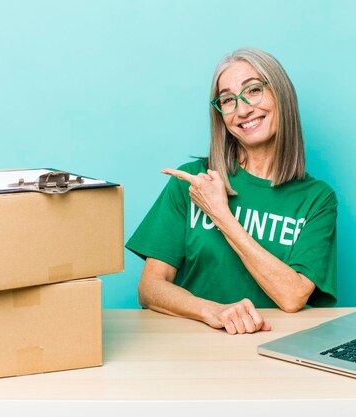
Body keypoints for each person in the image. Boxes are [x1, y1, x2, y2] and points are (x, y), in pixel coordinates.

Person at [126, 48, 337, 335]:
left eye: (253, 90)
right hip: (193, 348)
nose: (243, 109)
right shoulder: (193, 182)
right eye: (228, 100)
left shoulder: (316, 199)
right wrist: (213, 311)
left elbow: (292, 296)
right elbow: (150, 288)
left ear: (281, 95)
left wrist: (220, 214)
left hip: (276, 348)